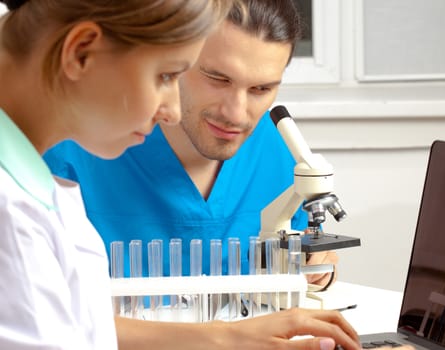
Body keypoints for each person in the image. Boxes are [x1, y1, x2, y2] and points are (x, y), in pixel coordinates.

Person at [0, 1, 407, 349]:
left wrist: (230, 335)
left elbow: (81, 329)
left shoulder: (34, 187)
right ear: (81, 53)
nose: (172, 110)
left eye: (263, 89)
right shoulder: (21, 207)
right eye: (167, 75)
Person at [44, 0, 338, 288]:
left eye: (260, 89)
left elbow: (307, 251)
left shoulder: (276, 149)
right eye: (217, 79)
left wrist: (319, 270)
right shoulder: (72, 150)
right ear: (175, 58)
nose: (236, 114)